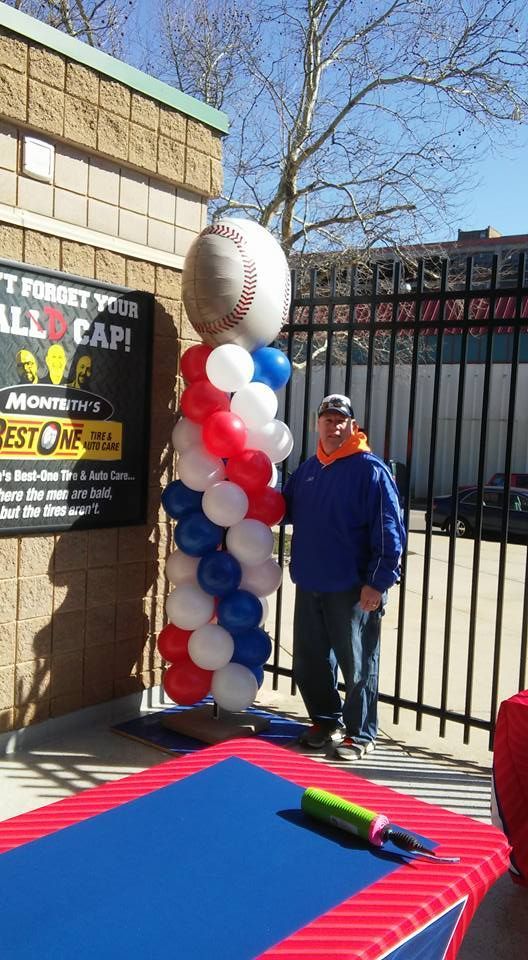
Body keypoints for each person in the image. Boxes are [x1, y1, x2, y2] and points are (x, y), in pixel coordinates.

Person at [283, 394, 405, 761]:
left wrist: (378, 582)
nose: (333, 427)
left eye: (340, 421)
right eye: (327, 420)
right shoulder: (308, 470)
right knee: (310, 660)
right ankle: (325, 721)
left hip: (353, 588)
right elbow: (281, 509)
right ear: (316, 425)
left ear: (353, 426)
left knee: (358, 663)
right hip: (310, 581)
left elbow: (389, 531)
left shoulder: (370, 470)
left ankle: (361, 733)